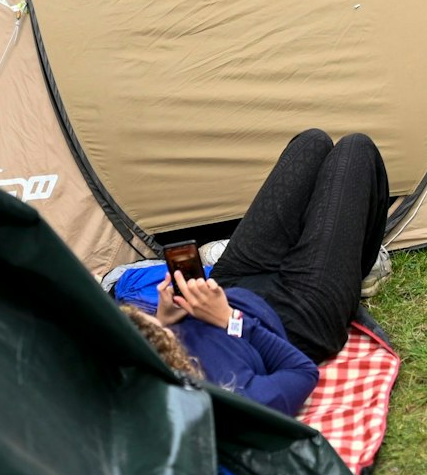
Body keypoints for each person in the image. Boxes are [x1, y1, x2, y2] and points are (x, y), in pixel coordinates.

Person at [136, 129, 390, 416]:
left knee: (311, 142)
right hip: (297, 318)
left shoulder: (132, 369)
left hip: (229, 285)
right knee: (356, 150)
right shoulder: (223, 398)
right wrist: (231, 320)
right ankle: (355, 267)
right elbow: (301, 372)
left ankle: (330, 254)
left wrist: (165, 319)